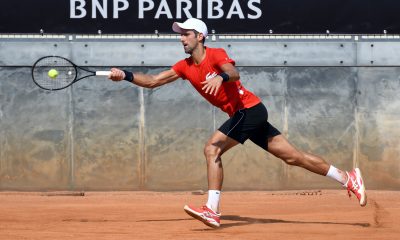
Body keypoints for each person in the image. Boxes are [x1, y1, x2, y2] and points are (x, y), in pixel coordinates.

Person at [108, 18, 367, 228]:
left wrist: (221, 77)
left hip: (249, 110)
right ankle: (348, 179)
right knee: (293, 157)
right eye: (181, 34)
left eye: (186, 33)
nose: (181, 38)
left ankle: (212, 210)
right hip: (246, 115)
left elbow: (233, 72)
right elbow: (154, 81)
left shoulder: (215, 54)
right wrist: (126, 75)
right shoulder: (185, 66)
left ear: (199, 36)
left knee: (212, 149)